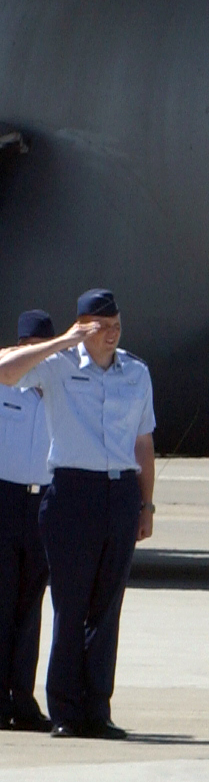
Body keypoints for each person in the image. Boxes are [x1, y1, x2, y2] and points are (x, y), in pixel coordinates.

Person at [0, 291, 157, 738]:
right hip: (72, 492)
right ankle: (66, 709)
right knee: (70, 607)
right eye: (101, 326)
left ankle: (97, 708)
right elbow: (6, 372)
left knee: (107, 608)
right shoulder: (59, 365)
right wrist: (63, 341)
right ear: (82, 326)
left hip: (120, 493)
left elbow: (143, 442)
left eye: (116, 325)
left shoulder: (137, 372)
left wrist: (146, 504)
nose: (111, 334)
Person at [0, 309, 54, 732]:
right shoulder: (4, 381)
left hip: (44, 502)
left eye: (40, 347)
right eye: (27, 347)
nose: (32, 355)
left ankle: (23, 697)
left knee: (30, 605)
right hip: (5, 499)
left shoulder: (60, 386)